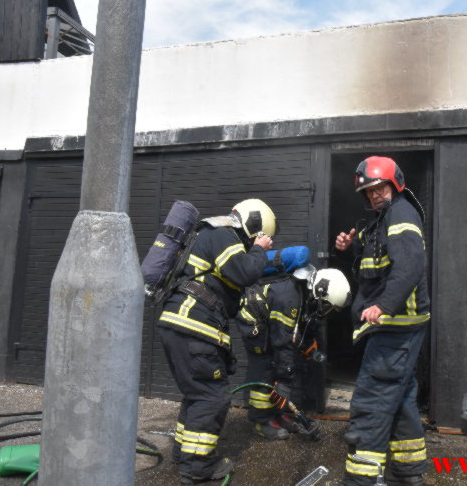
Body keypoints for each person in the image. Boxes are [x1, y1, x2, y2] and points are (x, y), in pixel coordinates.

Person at [158, 198, 276, 484]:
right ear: (255, 226)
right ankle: (198, 467)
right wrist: (259, 251)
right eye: (256, 238)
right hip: (193, 327)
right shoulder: (225, 234)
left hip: (180, 325)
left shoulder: (212, 235)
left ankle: (184, 453)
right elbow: (243, 271)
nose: (252, 245)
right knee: (213, 396)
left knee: (197, 394)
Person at [329, 156, 430, 486]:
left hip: (395, 326)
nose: (374, 195)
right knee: (399, 397)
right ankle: (408, 472)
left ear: (395, 183)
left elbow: (409, 267)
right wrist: (346, 247)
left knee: (372, 401)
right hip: (396, 325)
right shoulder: (382, 220)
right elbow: (372, 257)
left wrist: (384, 305)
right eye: (368, 191)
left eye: (379, 188)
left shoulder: (401, 215)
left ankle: (361, 479)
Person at [235, 247, 352, 440]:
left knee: (282, 369)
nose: (325, 311)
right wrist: (284, 379)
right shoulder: (289, 298)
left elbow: (299, 326)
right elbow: (283, 343)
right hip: (255, 325)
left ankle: (279, 413)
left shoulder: (304, 293)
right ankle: (261, 420)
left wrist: (307, 345)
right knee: (265, 367)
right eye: (326, 305)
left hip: (271, 324)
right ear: (320, 292)